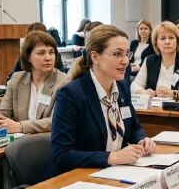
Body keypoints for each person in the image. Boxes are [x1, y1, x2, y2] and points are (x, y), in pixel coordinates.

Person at [49, 25, 157, 176]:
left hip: (114, 172)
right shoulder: (71, 95)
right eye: (117, 54)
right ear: (95, 57)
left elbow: (134, 127)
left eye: (127, 54)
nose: (126, 61)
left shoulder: (122, 87)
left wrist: (142, 140)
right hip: (76, 177)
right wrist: (112, 157)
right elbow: (61, 155)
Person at [0, 30, 68, 133]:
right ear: (28, 57)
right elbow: (1, 112)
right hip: (20, 139)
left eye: (51, 52)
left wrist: (20, 126)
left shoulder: (64, 82)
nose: (48, 58)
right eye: (41, 53)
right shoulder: (17, 79)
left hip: (47, 139)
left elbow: (55, 121)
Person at [131, 21, 179, 100]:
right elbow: (134, 85)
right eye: (162, 38)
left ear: (177, 42)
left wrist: (174, 94)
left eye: (171, 38)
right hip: (153, 106)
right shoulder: (149, 60)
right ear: (156, 43)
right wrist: (143, 92)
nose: (167, 42)